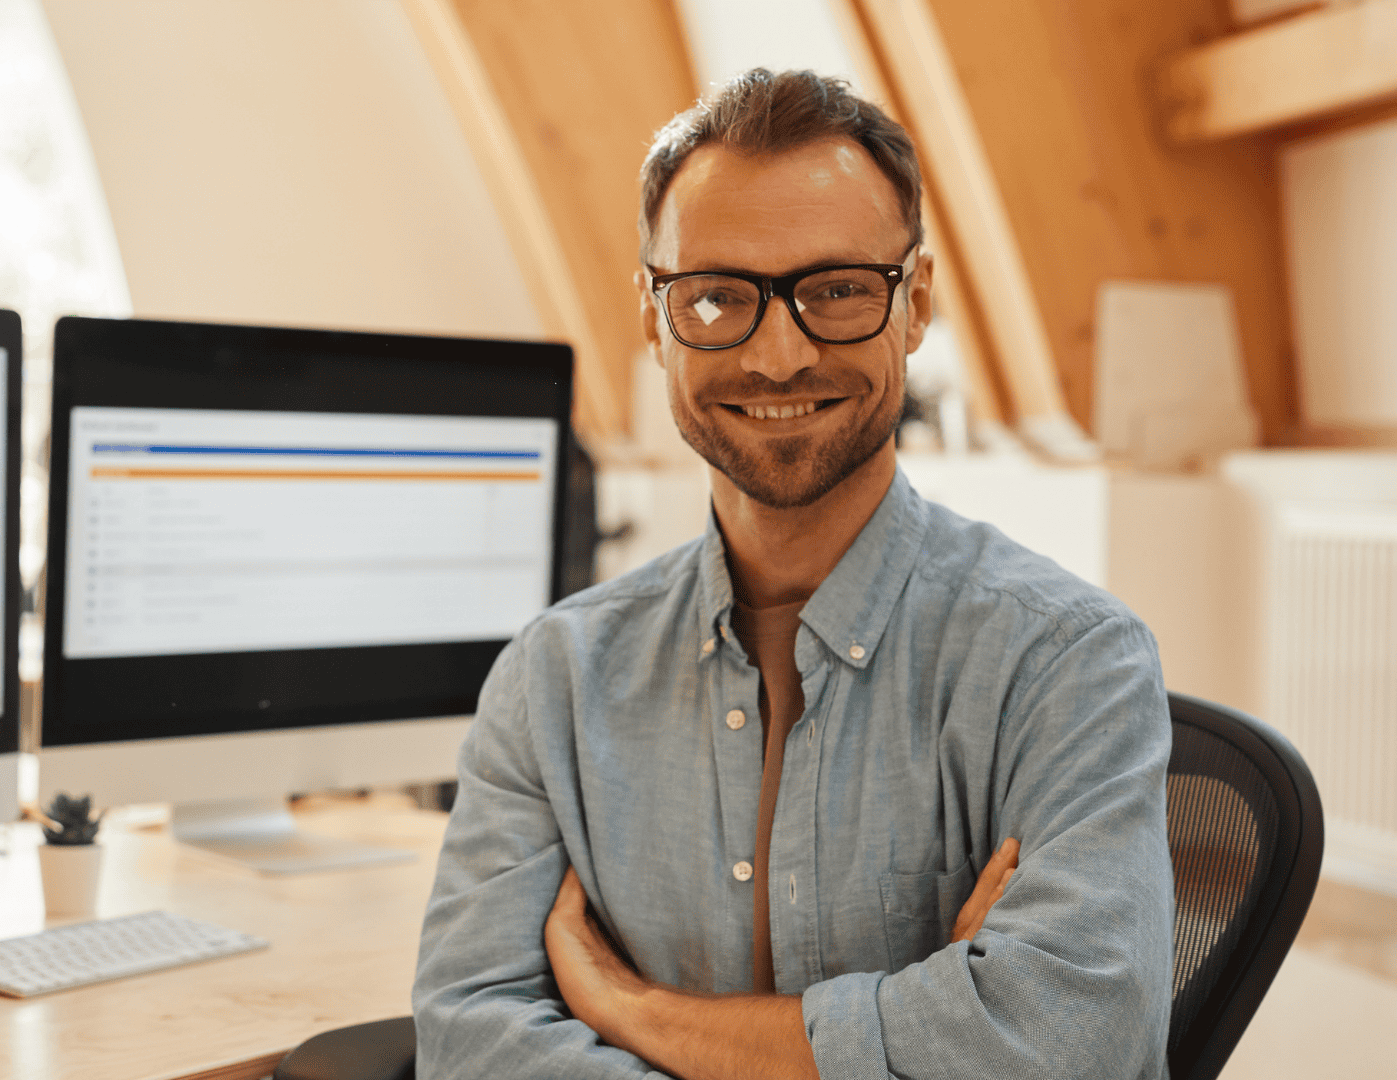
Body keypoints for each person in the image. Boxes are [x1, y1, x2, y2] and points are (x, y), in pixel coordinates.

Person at [411, 68, 1173, 1080]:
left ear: (918, 304)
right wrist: (928, 1022)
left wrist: (637, 1012)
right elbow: (473, 1038)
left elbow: (1070, 1040)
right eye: (719, 296)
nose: (778, 357)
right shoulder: (553, 682)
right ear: (652, 317)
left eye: (837, 292)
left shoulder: (1068, 664)